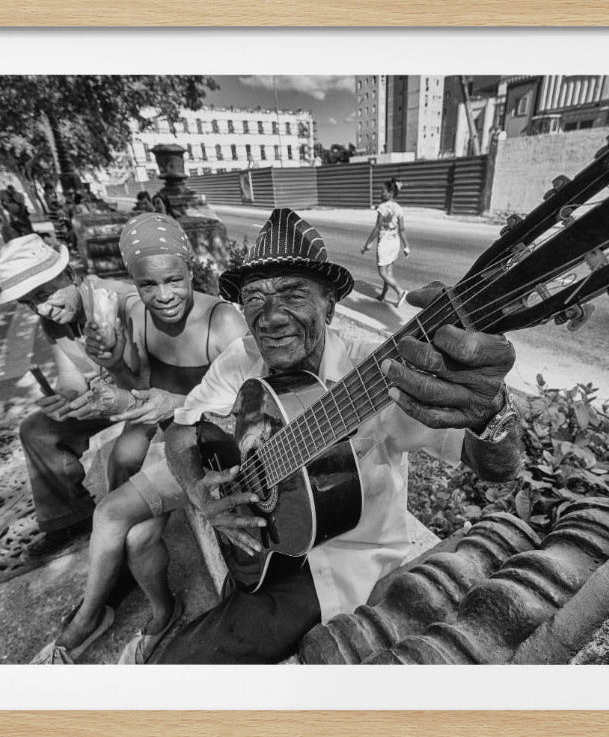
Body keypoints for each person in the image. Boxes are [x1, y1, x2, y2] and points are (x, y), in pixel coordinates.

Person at [157, 207, 522, 663]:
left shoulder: (378, 374)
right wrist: (199, 490)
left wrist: (493, 412)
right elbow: (180, 431)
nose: (269, 317)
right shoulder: (240, 358)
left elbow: (498, 467)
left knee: (186, 667)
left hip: (344, 567)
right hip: (268, 546)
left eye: (292, 293)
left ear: (330, 305)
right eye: (254, 298)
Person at [30, 212, 247, 665]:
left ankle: (86, 622)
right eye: (149, 285)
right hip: (169, 445)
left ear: (192, 270)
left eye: (175, 280)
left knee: (111, 512)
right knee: (137, 538)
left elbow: (251, 406)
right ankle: (164, 614)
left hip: (210, 449)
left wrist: (174, 403)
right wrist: (110, 370)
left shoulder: (222, 321)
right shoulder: (137, 314)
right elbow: (139, 386)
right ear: (134, 284)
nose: (164, 295)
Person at [0, 234, 147, 560]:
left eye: (44, 294)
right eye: (29, 303)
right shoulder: (55, 320)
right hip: (108, 395)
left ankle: (123, 549)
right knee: (37, 429)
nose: (41, 308)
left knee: (123, 460)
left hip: (147, 394)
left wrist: (97, 399)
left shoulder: (120, 301)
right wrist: (67, 398)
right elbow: (73, 377)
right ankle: (69, 519)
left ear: (70, 275)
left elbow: (145, 380)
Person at [361, 178, 410, 305]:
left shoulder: (382, 207)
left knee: (382, 272)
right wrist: (406, 246)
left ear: (390, 193)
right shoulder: (399, 208)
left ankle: (400, 291)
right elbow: (402, 229)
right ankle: (383, 295)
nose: (380, 194)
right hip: (395, 243)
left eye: (383, 191)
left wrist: (368, 243)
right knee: (388, 270)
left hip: (385, 243)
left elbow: (377, 227)